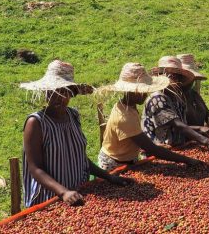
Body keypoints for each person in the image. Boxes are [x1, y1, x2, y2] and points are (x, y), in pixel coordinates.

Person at [20, 60, 132, 207]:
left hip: (79, 193)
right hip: (49, 199)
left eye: (64, 91)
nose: (58, 97)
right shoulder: (36, 123)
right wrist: (63, 192)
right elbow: (35, 168)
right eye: (52, 92)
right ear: (45, 93)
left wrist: (109, 177)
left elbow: (80, 158)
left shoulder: (73, 115)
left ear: (72, 93)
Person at [98, 63, 202, 172]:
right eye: (142, 92)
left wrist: (155, 145)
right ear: (130, 91)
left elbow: (136, 137)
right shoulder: (124, 117)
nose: (145, 95)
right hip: (114, 164)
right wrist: (187, 160)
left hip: (127, 159)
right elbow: (152, 150)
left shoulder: (126, 106)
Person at [143, 56, 209, 151]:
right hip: (161, 151)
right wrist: (206, 141)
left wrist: (199, 129)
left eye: (176, 76)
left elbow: (181, 125)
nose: (173, 79)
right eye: (170, 75)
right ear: (160, 76)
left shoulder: (176, 97)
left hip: (179, 147)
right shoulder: (158, 98)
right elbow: (177, 125)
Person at [177, 54, 209, 127]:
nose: (191, 81)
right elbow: (178, 126)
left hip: (202, 136)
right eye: (187, 77)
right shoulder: (175, 97)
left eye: (193, 78)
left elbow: (208, 116)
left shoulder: (193, 93)